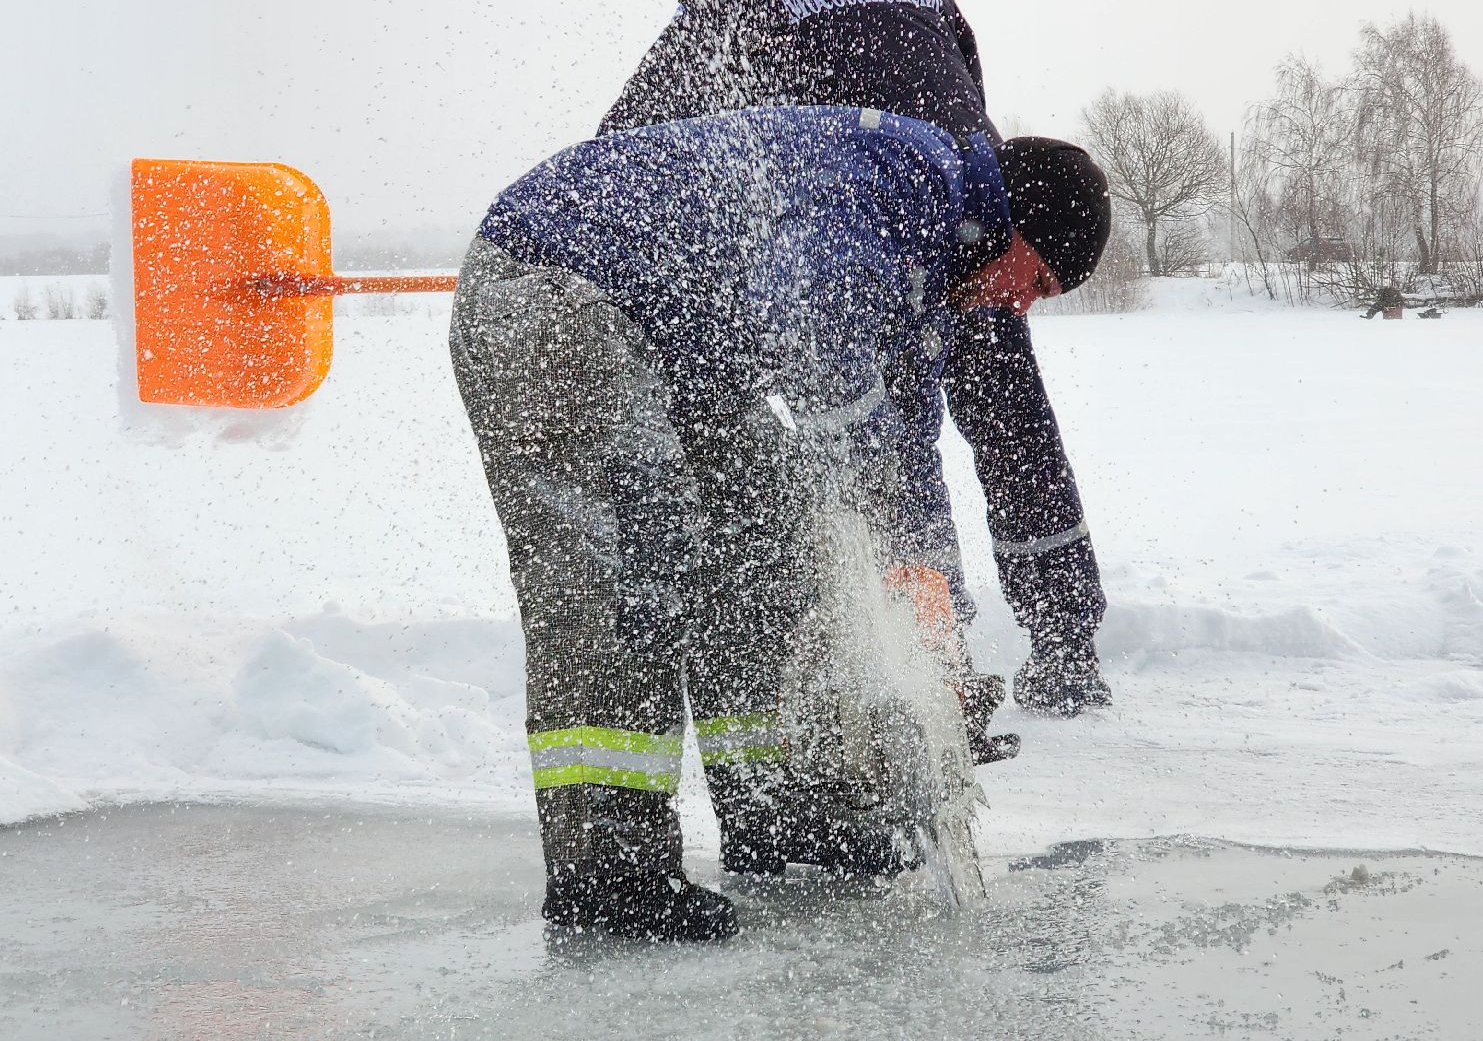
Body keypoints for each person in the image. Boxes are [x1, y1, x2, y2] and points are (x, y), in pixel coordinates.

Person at [449, 105, 1111, 941]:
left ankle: (777, 807)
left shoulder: (931, 252)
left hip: (672, 336)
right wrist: (898, 566)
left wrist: (926, 604)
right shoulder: (898, 181)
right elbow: (826, 349)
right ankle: (607, 869)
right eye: (1039, 281)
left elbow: (904, 440)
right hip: (551, 289)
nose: (1022, 305)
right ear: (1019, 226)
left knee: (769, 528)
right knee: (629, 557)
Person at [602, 0, 1113, 722]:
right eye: (1040, 287)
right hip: (922, 213)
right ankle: (1004, 650)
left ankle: (951, 653)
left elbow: (622, 149)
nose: (1028, 306)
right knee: (953, 425)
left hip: (911, 215)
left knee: (914, 425)